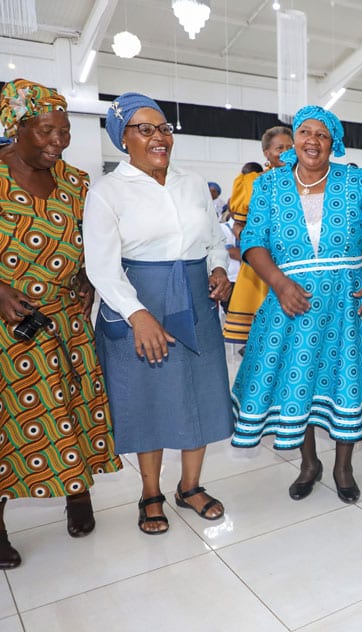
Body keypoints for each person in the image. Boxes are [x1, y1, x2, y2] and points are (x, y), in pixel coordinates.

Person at [230, 105, 362, 505]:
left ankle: (343, 466)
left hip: (348, 303)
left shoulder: (355, 181)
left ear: (333, 143)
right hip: (292, 301)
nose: (312, 140)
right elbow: (252, 241)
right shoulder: (269, 186)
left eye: (322, 135)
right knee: (296, 380)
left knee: (346, 381)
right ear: (295, 139)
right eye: (305, 132)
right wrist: (279, 282)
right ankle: (309, 463)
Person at [84, 93, 233, 535]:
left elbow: (212, 242)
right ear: (122, 138)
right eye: (144, 129)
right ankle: (151, 492)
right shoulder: (108, 192)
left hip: (196, 300)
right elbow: (102, 266)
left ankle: (191, 486)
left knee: (200, 393)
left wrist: (220, 268)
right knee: (148, 399)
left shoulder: (191, 182)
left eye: (164, 128)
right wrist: (138, 315)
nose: (158, 137)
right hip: (138, 299)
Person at [0, 79, 122, 566]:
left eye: (64, 132)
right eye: (46, 131)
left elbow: (96, 240)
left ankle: (77, 494)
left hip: (67, 320)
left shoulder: (78, 183)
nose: (57, 142)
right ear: (18, 126)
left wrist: (92, 280)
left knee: (71, 408)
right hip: (8, 327)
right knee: (9, 422)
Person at [222, 127, 293, 344]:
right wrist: (251, 239)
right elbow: (238, 224)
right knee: (267, 339)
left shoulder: (310, 181)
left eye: (290, 147)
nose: (286, 152)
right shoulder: (253, 183)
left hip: (299, 263)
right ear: (266, 153)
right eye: (279, 148)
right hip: (262, 267)